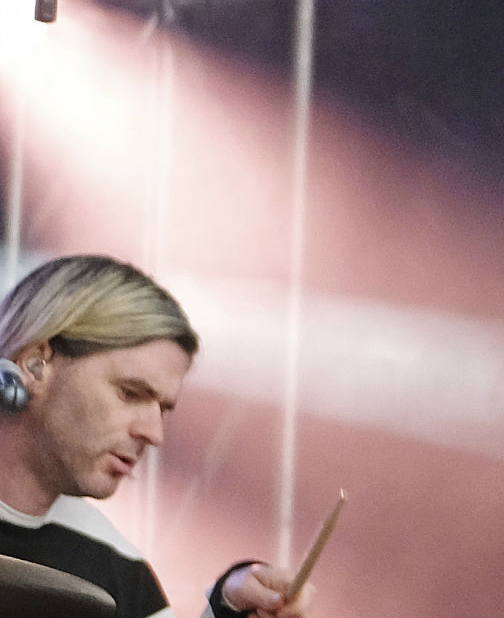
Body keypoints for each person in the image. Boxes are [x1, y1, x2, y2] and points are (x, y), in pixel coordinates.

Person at [0, 255, 309, 618]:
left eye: (162, 409)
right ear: (36, 363)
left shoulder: (119, 567)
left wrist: (229, 610)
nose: (154, 433)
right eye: (130, 393)